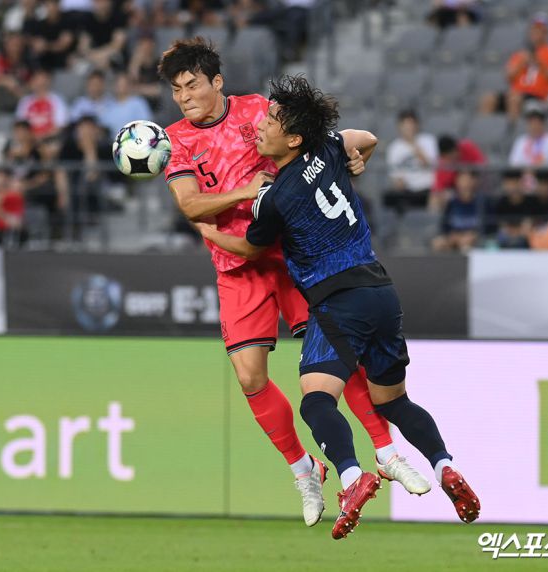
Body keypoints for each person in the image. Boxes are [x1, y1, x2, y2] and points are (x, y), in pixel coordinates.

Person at [158, 38, 429, 527]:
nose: (184, 97)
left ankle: (386, 452)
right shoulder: (173, 140)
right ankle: (305, 469)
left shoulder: (258, 110)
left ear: (217, 81)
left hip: (290, 255)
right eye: (176, 89)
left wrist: (352, 158)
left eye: (192, 85)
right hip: (237, 264)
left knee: (339, 355)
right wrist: (246, 191)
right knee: (249, 377)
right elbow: (190, 205)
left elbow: (311, 145)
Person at [196, 75, 480, 538]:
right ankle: (444, 464)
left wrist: (209, 232)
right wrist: (358, 158)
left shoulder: (275, 199)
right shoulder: (327, 148)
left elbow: (248, 249)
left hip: (337, 301)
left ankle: (350, 477)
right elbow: (367, 138)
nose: (260, 126)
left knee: (315, 402)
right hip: (381, 291)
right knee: (394, 401)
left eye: (271, 121)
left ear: (293, 138)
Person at [383, 110, 437, 214]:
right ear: (399, 127)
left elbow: (430, 164)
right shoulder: (394, 148)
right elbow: (396, 177)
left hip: (427, 188)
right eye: (405, 125)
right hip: (408, 190)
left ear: (417, 125)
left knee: (436, 197)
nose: (409, 128)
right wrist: (400, 184)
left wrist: (413, 144)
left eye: (411, 124)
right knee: (389, 198)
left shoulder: (428, 141)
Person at [432, 168, 490, 252]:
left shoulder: (483, 203)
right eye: (462, 179)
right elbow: (444, 226)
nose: (465, 183)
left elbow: (489, 227)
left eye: (467, 179)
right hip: (455, 239)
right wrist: (453, 236)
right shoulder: (452, 203)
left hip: (474, 240)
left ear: (474, 181)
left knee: (466, 246)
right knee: (438, 243)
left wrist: (474, 235)